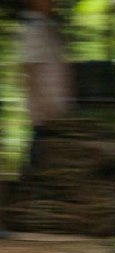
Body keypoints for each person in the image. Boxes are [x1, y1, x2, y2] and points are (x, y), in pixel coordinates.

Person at [18, 0, 73, 171]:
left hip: (52, 111)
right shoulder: (34, 28)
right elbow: (30, 70)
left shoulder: (45, 27)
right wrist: (43, 105)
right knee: (39, 154)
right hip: (45, 112)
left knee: (45, 153)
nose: (52, 3)